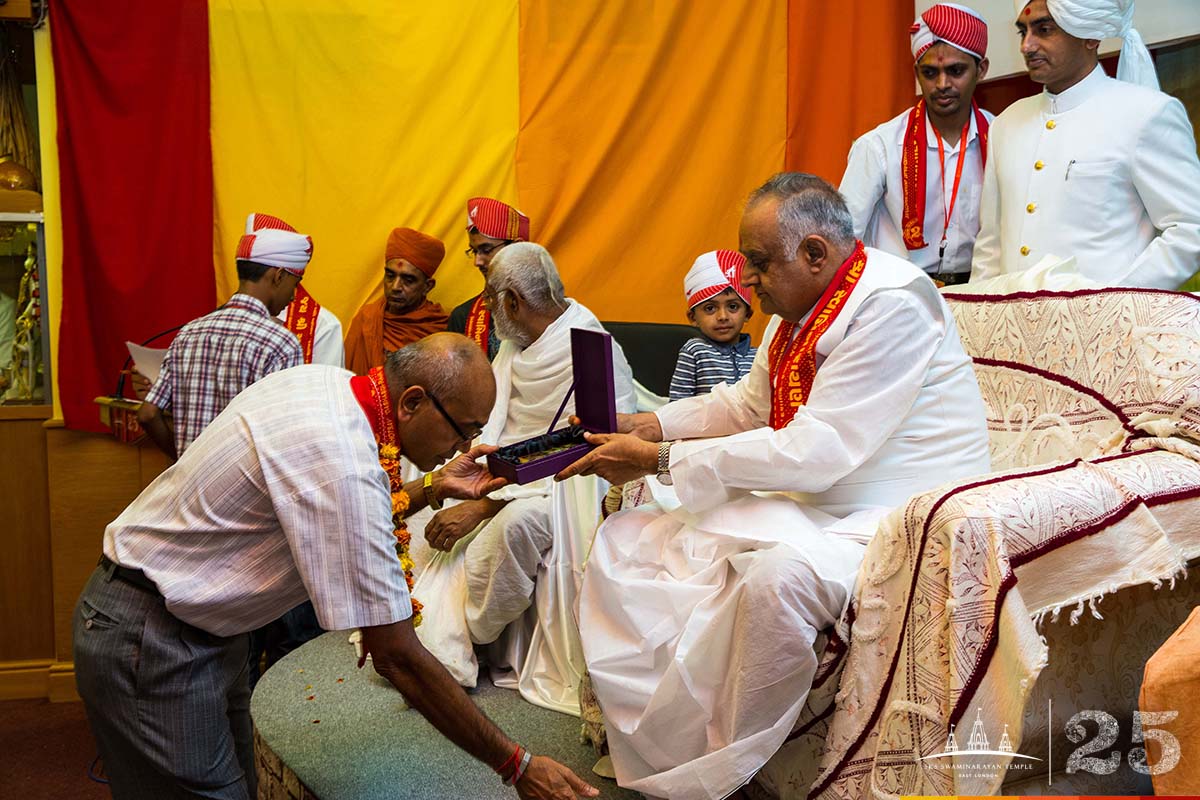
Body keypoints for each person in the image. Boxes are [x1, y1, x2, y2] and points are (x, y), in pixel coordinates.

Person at [556, 173, 991, 800]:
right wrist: (651, 422)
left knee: (769, 581)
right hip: (816, 497)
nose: (745, 280)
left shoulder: (891, 302)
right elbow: (748, 406)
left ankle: (727, 774)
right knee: (639, 535)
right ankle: (673, 746)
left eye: (758, 263)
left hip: (895, 510)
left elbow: (818, 450)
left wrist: (661, 457)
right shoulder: (800, 310)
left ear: (815, 254)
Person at [74, 333, 598, 800]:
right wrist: (517, 764)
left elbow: (355, 504)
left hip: (197, 630)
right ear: (414, 401)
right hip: (151, 636)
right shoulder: (342, 464)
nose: (461, 447)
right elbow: (397, 656)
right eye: (463, 430)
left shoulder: (326, 384)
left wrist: (435, 486)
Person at [411, 243, 635, 708]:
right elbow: (497, 426)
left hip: (565, 494)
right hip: (509, 478)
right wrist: (469, 472)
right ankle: (431, 623)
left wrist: (485, 504)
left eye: (491, 299)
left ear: (512, 301)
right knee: (421, 469)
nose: (487, 309)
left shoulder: (591, 353)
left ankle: (464, 636)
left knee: (521, 525)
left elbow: (588, 460)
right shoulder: (517, 346)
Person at [971, 0, 1200, 288]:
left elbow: (1191, 227)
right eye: (1023, 32)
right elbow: (991, 245)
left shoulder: (1146, 114)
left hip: (1109, 327)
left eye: (1044, 30)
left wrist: (1116, 300)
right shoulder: (1006, 123)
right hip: (1011, 326)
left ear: (1090, 36)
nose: (1027, 46)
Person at [840, 3, 992, 286]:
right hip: (898, 294)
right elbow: (843, 239)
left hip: (980, 291)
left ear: (981, 69)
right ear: (916, 73)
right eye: (930, 73)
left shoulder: (1000, 137)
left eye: (955, 71)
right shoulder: (879, 146)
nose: (942, 84)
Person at [138, 212, 310, 460]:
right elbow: (283, 436)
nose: (293, 296)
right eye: (295, 284)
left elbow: (148, 414)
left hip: (189, 490)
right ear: (279, 276)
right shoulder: (280, 343)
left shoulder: (189, 333)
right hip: (245, 496)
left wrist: (183, 463)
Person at [344, 227, 449, 375]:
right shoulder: (366, 319)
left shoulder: (439, 330)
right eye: (390, 276)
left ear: (427, 286)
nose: (395, 287)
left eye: (408, 280)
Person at [447, 197, 531, 361]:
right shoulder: (462, 318)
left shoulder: (551, 311)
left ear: (517, 247)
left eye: (486, 249)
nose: (477, 261)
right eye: (474, 251)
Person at [668, 249, 757, 401]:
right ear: (693, 317)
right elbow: (677, 406)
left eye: (733, 307)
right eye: (710, 308)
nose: (722, 316)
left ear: (747, 314)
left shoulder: (758, 356)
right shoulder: (695, 351)